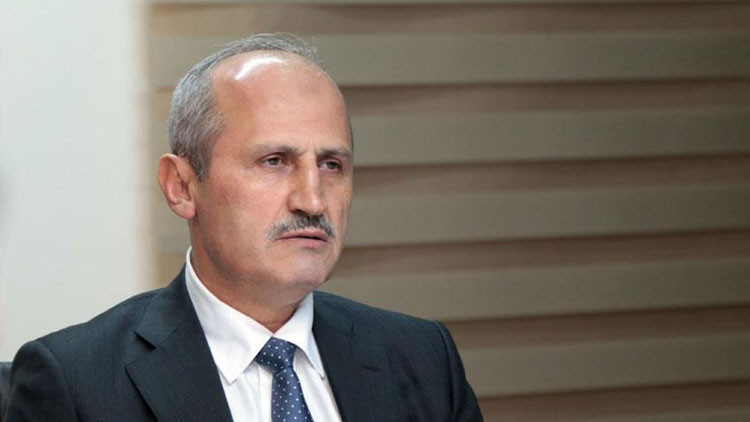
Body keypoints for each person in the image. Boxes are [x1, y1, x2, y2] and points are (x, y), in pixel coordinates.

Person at [4, 33, 482, 421]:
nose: (313, 200)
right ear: (181, 187)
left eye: (331, 165)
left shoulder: (422, 357)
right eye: (274, 161)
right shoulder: (76, 384)